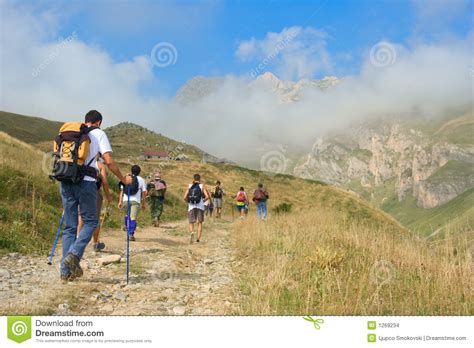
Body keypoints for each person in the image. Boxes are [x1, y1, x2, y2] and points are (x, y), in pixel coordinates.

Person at [60, 110, 131, 281]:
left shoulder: (70, 133)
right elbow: (108, 161)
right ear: (99, 122)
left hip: (65, 179)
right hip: (86, 182)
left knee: (70, 227)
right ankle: (74, 255)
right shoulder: (99, 133)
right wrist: (123, 179)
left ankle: (65, 272)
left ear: (86, 121)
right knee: (91, 222)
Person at [77, 161, 112, 252]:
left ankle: (77, 240)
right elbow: (104, 182)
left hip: (79, 190)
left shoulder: (80, 160)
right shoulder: (99, 164)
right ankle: (96, 243)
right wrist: (108, 195)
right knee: (94, 217)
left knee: (81, 215)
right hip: (94, 192)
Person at [118, 165, 147, 241]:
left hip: (125, 200)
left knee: (127, 216)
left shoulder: (126, 178)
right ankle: (130, 234)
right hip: (135, 201)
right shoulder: (141, 180)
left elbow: (122, 191)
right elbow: (144, 193)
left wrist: (120, 201)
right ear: (139, 171)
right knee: (133, 217)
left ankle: (127, 228)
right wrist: (143, 203)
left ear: (131, 171)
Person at [183, 174, 211, 243]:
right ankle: (198, 239)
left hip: (191, 206)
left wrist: (188, 201)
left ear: (193, 178)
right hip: (200, 206)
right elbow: (207, 196)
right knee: (200, 222)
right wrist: (203, 201)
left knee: (191, 221)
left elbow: (184, 197)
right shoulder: (202, 186)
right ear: (199, 179)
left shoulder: (190, 186)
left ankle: (192, 232)